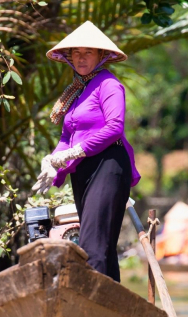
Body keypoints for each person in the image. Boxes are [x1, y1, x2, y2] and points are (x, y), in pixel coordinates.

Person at [31, 22, 139, 282]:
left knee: (92, 244)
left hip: (109, 165)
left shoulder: (108, 85)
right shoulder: (77, 92)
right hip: (84, 170)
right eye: (76, 53)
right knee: (101, 245)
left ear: (101, 56)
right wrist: (52, 162)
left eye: (88, 52)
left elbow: (115, 127)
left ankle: (92, 307)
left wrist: (75, 152)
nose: (81, 57)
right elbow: (67, 136)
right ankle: (113, 309)